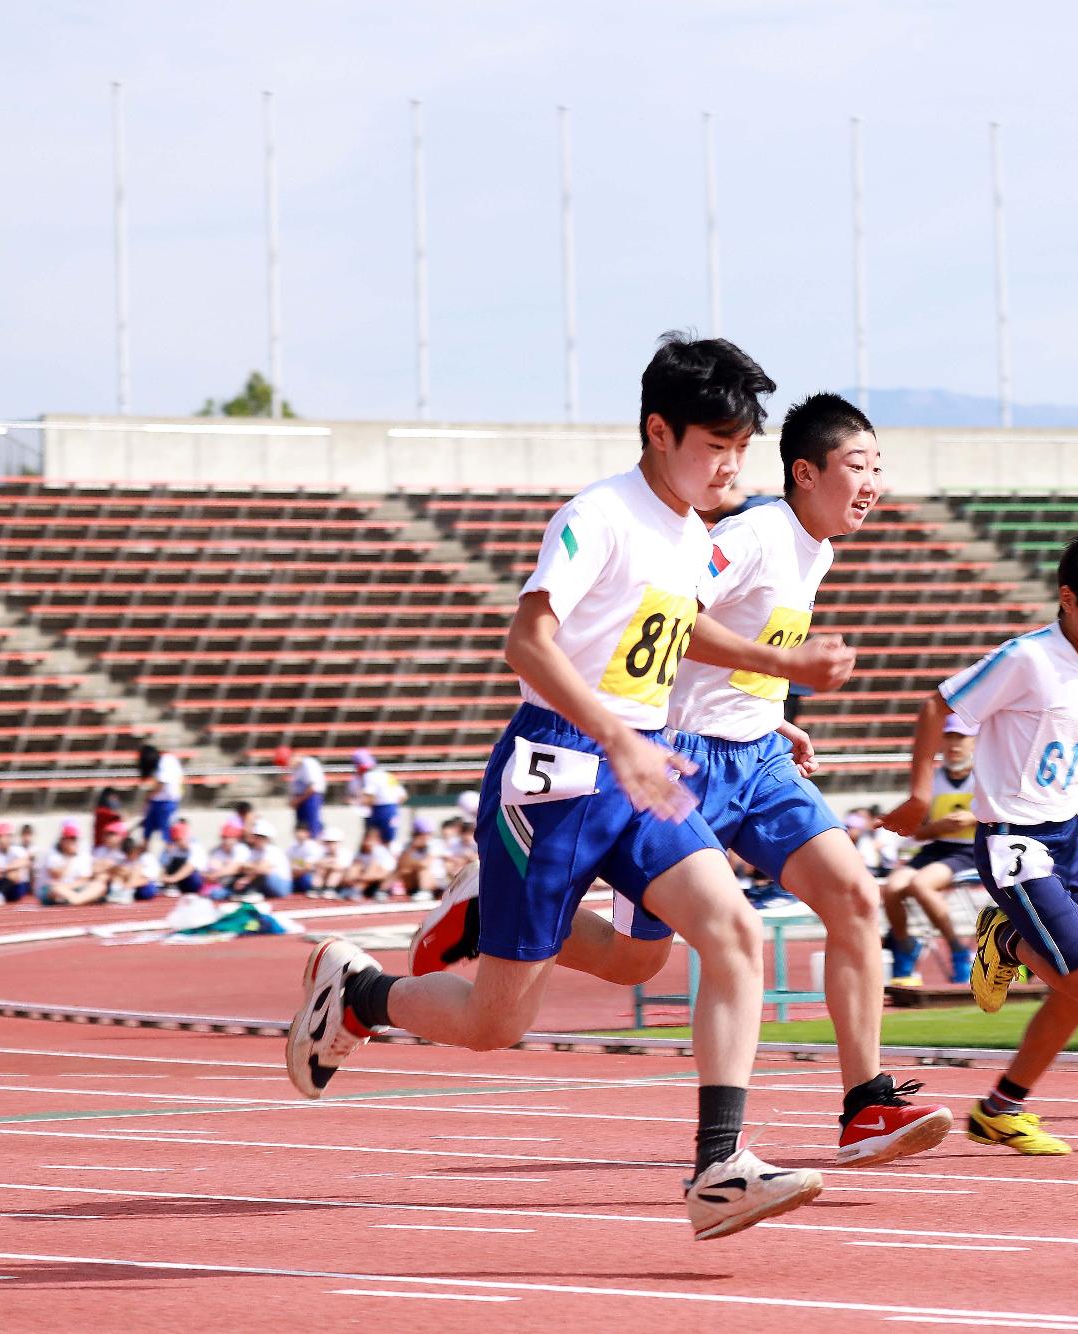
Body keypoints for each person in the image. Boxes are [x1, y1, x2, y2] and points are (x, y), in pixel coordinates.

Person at [286, 333, 824, 1240]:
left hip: (644, 763)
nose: (732, 466)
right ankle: (361, 996)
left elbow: (675, 633)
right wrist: (618, 734)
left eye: (742, 449)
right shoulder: (599, 515)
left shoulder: (695, 534)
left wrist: (772, 687)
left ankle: (719, 1167)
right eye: (715, 446)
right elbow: (527, 643)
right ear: (659, 430)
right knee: (498, 1023)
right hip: (559, 773)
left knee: (707, 937)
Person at [410, 391, 951, 1167]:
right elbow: (674, 624)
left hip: (756, 759)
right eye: (859, 466)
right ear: (805, 472)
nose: (873, 483)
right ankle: (489, 905)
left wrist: (770, 702)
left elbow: (713, 643)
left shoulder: (817, 549)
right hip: (682, 759)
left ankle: (862, 1106)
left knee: (855, 896)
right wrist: (781, 668)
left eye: (879, 468)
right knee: (637, 963)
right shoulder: (747, 534)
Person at [885, 531, 1078, 1155]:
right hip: (1010, 838)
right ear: (1068, 598)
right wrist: (919, 794)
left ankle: (1002, 1108)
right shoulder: (1027, 659)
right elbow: (937, 705)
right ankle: (1005, 936)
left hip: (1065, 837)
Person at [880, 715, 980, 986]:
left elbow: (1006, 814)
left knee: (921, 885)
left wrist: (972, 819)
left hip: (972, 851)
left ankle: (958, 950)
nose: (954, 745)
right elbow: (918, 832)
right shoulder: (933, 780)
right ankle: (904, 946)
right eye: (948, 738)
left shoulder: (985, 777)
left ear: (974, 742)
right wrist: (938, 827)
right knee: (891, 889)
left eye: (960, 738)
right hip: (937, 847)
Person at [38, 821, 105, 906]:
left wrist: (69, 887)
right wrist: (69, 858)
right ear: (63, 840)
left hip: (72, 888)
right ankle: (80, 899)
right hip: (55, 889)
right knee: (56, 889)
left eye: (75, 839)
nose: (74, 842)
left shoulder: (83, 855)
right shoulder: (53, 854)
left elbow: (84, 879)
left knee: (99, 886)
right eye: (70, 839)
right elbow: (56, 875)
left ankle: (75, 899)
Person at [347, 750, 405, 843]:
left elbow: (369, 797)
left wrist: (358, 802)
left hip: (379, 810)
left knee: (374, 841)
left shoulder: (369, 776)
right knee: (389, 840)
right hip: (391, 809)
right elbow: (402, 796)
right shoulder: (387, 775)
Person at [136, 743, 184, 847]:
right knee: (147, 832)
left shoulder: (166, 760)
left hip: (167, 803)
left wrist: (149, 797)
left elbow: (161, 784)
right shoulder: (162, 763)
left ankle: (169, 856)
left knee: (166, 833)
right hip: (158, 802)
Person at [276, 746, 328, 838]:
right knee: (301, 829)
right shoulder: (297, 768)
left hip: (310, 798)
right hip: (302, 799)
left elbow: (312, 788)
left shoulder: (308, 764)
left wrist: (297, 800)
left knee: (312, 827)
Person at [340, 824, 398, 900]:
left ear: (377, 841)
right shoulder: (360, 853)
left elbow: (384, 874)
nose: (368, 842)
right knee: (357, 865)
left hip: (380, 884)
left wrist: (360, 877)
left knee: (373, 865)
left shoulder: (381, 852)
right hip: (363, 882)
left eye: (371, 839)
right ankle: (351, 889)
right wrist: (352, 877)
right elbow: (350, 872)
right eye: (366, 839)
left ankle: (356, 890)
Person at [394, 817, 445, 899]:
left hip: (436, 880)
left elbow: (425, 864)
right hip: (415, 881)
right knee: (403, 870)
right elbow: (401, 864)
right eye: (420, 834)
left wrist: (411, 863)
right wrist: (412, 848)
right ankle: (383, 890)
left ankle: (425, 891)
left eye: (427, 833)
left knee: (422, 870)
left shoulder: (436, 844)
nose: (424, 836)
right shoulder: (409, 846)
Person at [158, 819, 202, 897]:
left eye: (180, 839)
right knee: (174, 861)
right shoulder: (174, 848)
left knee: (194, 876)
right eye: (176, 840)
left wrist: (171, 879)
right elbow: (165, 865)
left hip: (193, 881)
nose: (178, 842)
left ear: (186, 837)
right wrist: (162, 876)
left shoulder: (196, 848)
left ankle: (174, 885)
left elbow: (190, 867)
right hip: (178, 880)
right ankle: (172, 886)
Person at [286, 822, 327, 897]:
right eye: (298, 831)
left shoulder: (312, 846)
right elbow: (286, 864)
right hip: (295, 876)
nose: (300, 834)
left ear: (308, 833)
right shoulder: (292, 847)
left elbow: (308, 866)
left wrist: (296, 864)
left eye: (302, 831)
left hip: (310, 876)